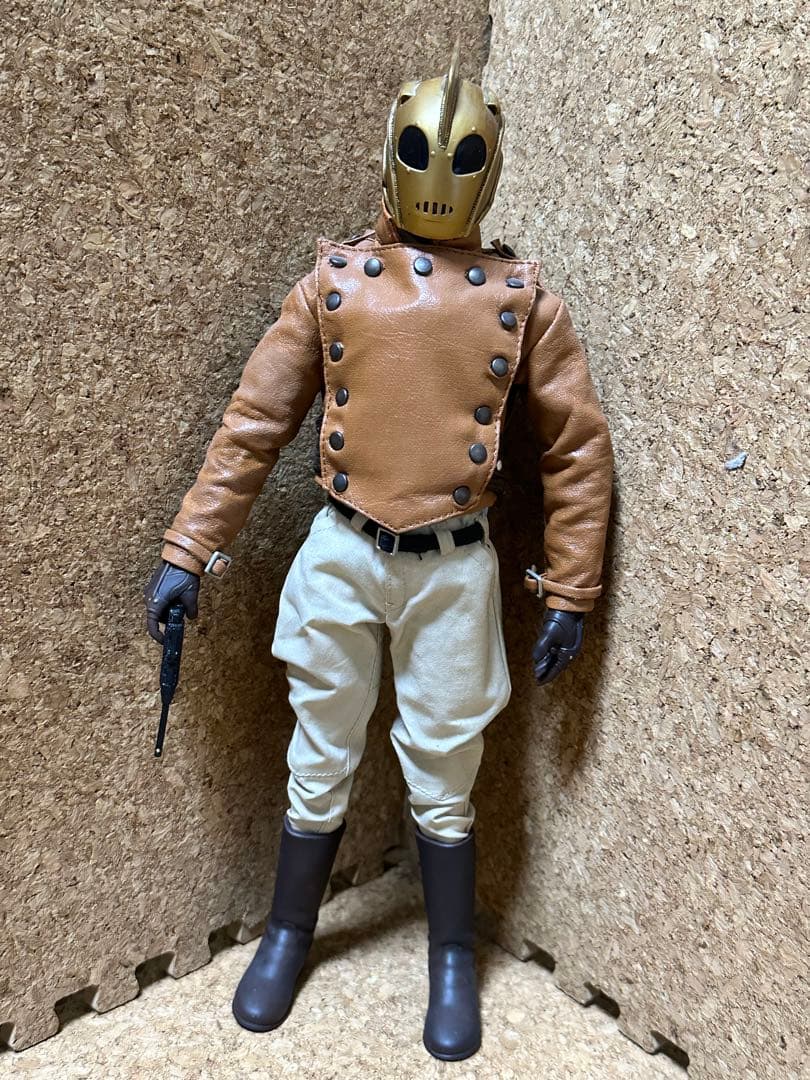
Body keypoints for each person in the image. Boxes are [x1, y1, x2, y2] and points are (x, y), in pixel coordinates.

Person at [143, 45, 613, 1062]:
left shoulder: (523, 299)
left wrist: (572, 585)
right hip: (343, 548)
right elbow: (253, 424)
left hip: (454, 564)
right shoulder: (336, 283)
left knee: (447, 762)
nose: (439, 175)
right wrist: (192, 544)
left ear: (491, 168)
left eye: (462, 157)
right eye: (422, 152)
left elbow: (577, 451)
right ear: (390, 156)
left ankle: (450, 955)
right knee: (320, 750)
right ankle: (289, 931)